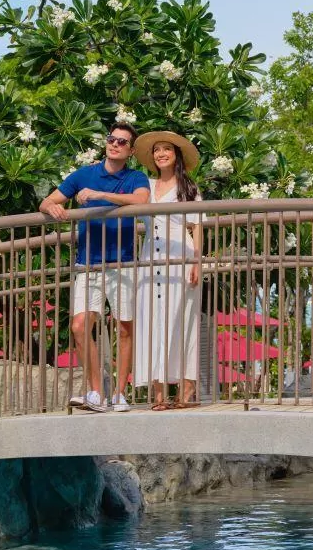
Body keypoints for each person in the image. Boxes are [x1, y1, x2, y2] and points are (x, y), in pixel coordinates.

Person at [38, 120, 150, 412]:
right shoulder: (83, 174)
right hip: (87, 264)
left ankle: (120, 394)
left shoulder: (136, 177)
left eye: (122, 142)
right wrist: (52, 206)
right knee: (78, 325)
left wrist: (101, 196)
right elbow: (47, 200)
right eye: (112, 139)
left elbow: (140, 201)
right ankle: (96, 393)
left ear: (131, 150)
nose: (115, 144)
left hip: (123, 263)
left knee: (124, 327)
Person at [131, 130, 204, 410]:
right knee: (152, 321)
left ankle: (186, 390)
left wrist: (197, 261)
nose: (161, 154)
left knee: (182, 320)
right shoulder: (145, 187)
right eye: (157, 150)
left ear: (176, 156)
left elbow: (197, 227)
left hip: (180, 257)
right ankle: (158, 393)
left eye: (167, 149)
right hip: (150, 257)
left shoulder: (189, 189)